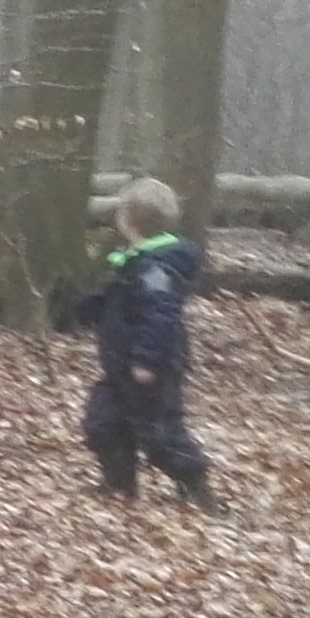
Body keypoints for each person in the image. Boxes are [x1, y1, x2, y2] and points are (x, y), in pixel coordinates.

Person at [65, 178, 214, 510]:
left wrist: (147, 360)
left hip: (150, 368)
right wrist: (90, 308)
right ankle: (119, 484)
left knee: (159, 432)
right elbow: (120, 302)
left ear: (127, 219)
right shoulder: (133, 262)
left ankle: (196, 487)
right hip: (120, 366)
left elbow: (160, 317)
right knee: (103, 422)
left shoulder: (156, 269)